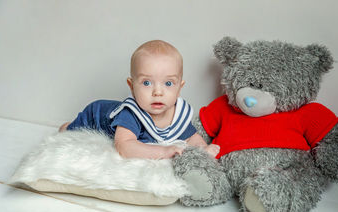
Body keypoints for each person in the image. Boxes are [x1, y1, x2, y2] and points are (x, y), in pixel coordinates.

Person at [59, 40, 219, 159]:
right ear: (131, 86)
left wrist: (203, 148)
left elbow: (191, 137)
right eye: (147, 83)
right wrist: (164, 151)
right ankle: (66, 126)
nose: (158, 92)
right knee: (71, 132)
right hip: (95, 115)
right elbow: (125, 147)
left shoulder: (177, 114)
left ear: (179, 88)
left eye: (168, 83)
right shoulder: (131, 114)